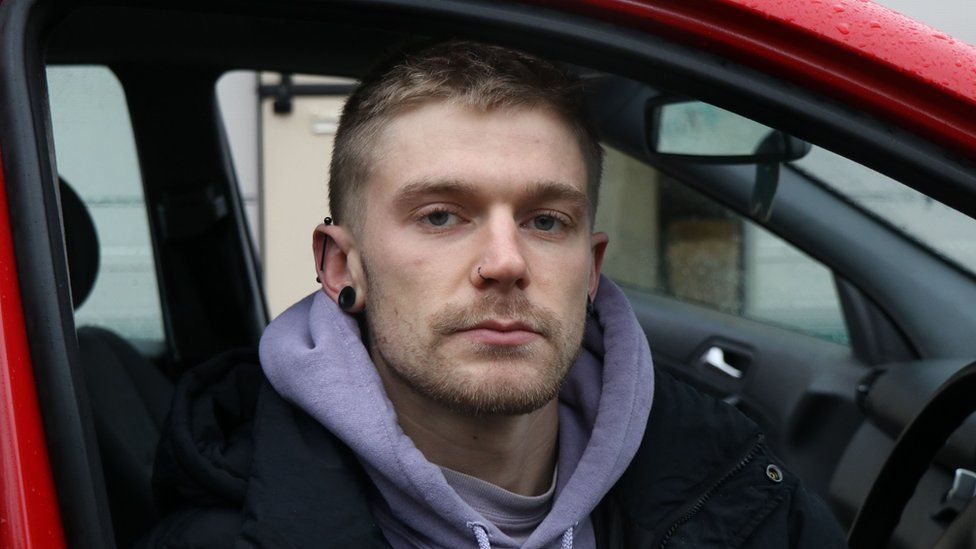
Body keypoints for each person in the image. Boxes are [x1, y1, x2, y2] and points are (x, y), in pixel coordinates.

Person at [140, 41, 847, 548]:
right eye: (441, 215)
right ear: (338, 265)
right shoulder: (221, 531)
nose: (505, 262)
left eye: (547, 220)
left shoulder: (745, 496)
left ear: (591, 267)